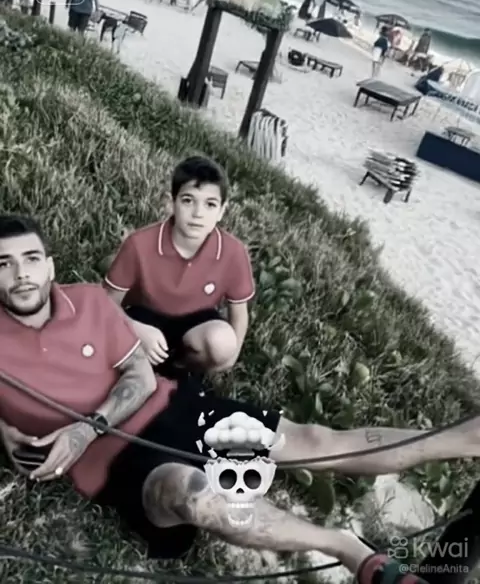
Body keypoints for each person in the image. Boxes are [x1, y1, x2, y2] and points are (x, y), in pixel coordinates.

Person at [2, 215, 479, 580]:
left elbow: (140, 377)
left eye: (31, 259)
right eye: (3, 264)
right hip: (118, 464)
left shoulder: (86, 299)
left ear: (50, 266)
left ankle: (465, 439)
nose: (21, 274)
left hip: (175, 408)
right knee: (195, 498)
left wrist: (83, 431)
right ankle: (346, 547)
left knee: (314, 442)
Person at [103, 156, 255, 379]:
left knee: (222, 342)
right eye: (188, 200)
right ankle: (143, 368)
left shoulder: (233, 252)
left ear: (222, 210)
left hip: (195, 323)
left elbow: (239, 313)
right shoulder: (139, 244)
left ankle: (181, 369)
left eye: (210, 204)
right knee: (114, 361)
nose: (198, 213)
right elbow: (107, 301)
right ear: (170, 203)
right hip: (145, 316)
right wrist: (136, 328)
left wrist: (230, 358)